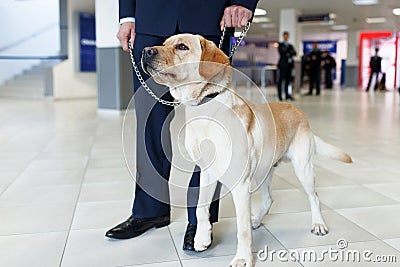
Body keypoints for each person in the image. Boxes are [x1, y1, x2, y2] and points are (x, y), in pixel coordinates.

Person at [105, 0, 259, 252]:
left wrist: (242, 1)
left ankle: (199, 221)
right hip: (149, 19)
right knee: (148, 122)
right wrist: (126, 17)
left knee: (213, 125)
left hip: (210, 18)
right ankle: (150, 210)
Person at [277, 31, 297, 101]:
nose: (286, 37)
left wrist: (288, 51)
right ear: (283, 36)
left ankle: (287, 95)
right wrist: (289, 51)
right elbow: (282, 52)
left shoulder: (290, 45)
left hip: (289, 66)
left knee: (288, 81)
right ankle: (279, 95)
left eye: (287, 36)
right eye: (285, 36)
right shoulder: (280, 45)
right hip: (283, 66)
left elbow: (294, 53)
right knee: (281, 81)